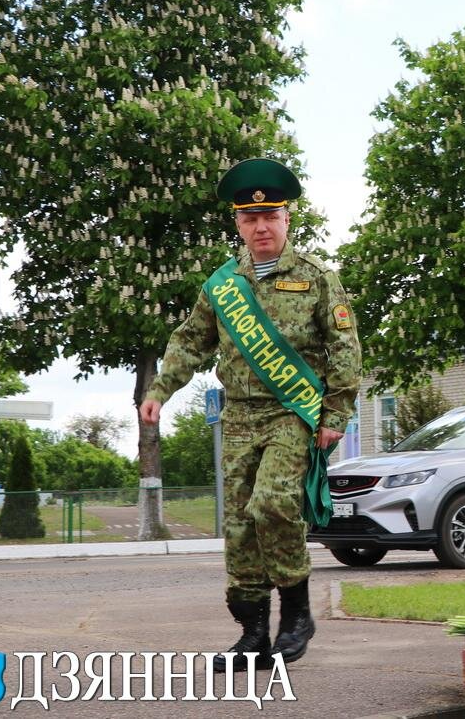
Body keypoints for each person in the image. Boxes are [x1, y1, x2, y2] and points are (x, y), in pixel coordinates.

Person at [139, 158, 362, 670]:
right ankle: (253, 634)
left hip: (292, 412)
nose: (261, 227)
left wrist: (336, 413)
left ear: (287, 220)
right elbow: (191, 341)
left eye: (271, 216)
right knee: (239, 523)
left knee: (274, 503)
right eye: (249, 218)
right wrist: (161, 388)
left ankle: (298, 616)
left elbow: (345, 349)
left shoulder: (316, 279)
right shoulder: (222, 285)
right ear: (238, 224)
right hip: (238, 417)